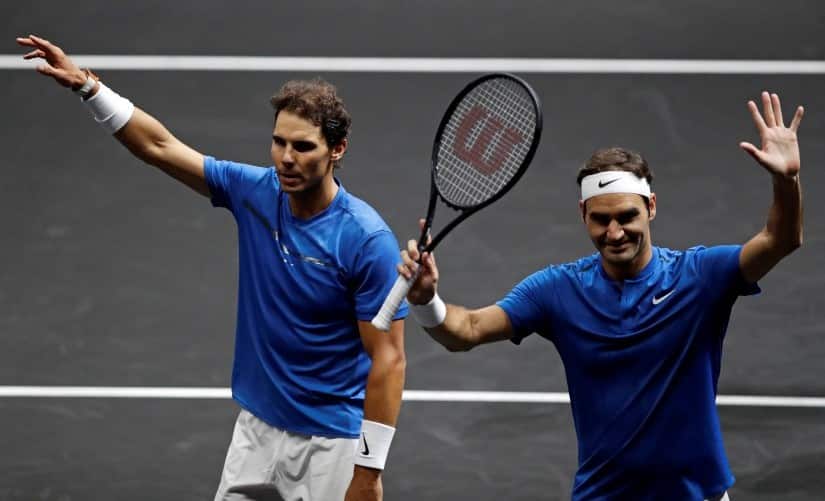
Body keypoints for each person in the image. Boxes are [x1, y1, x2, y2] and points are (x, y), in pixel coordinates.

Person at [17, 34, 407, 501]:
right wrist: (90, 87)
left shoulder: (366, 240)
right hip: (257, 429)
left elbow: (389, 359)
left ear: (337, 150)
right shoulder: (255, 192)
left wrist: (367, 471)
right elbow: (160, 146)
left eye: (302, 147)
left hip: (331, 444)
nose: (286, 158)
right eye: (278, 142)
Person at [398, 91, 804, 500]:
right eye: (601, 219)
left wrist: (785, 180)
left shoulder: (699, 277)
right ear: (583, 216)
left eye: (627, 216)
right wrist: (424, 300)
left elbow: (780, 240)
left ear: (651, 207)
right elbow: (465, 330)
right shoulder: (557, 290)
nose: (614, 233)